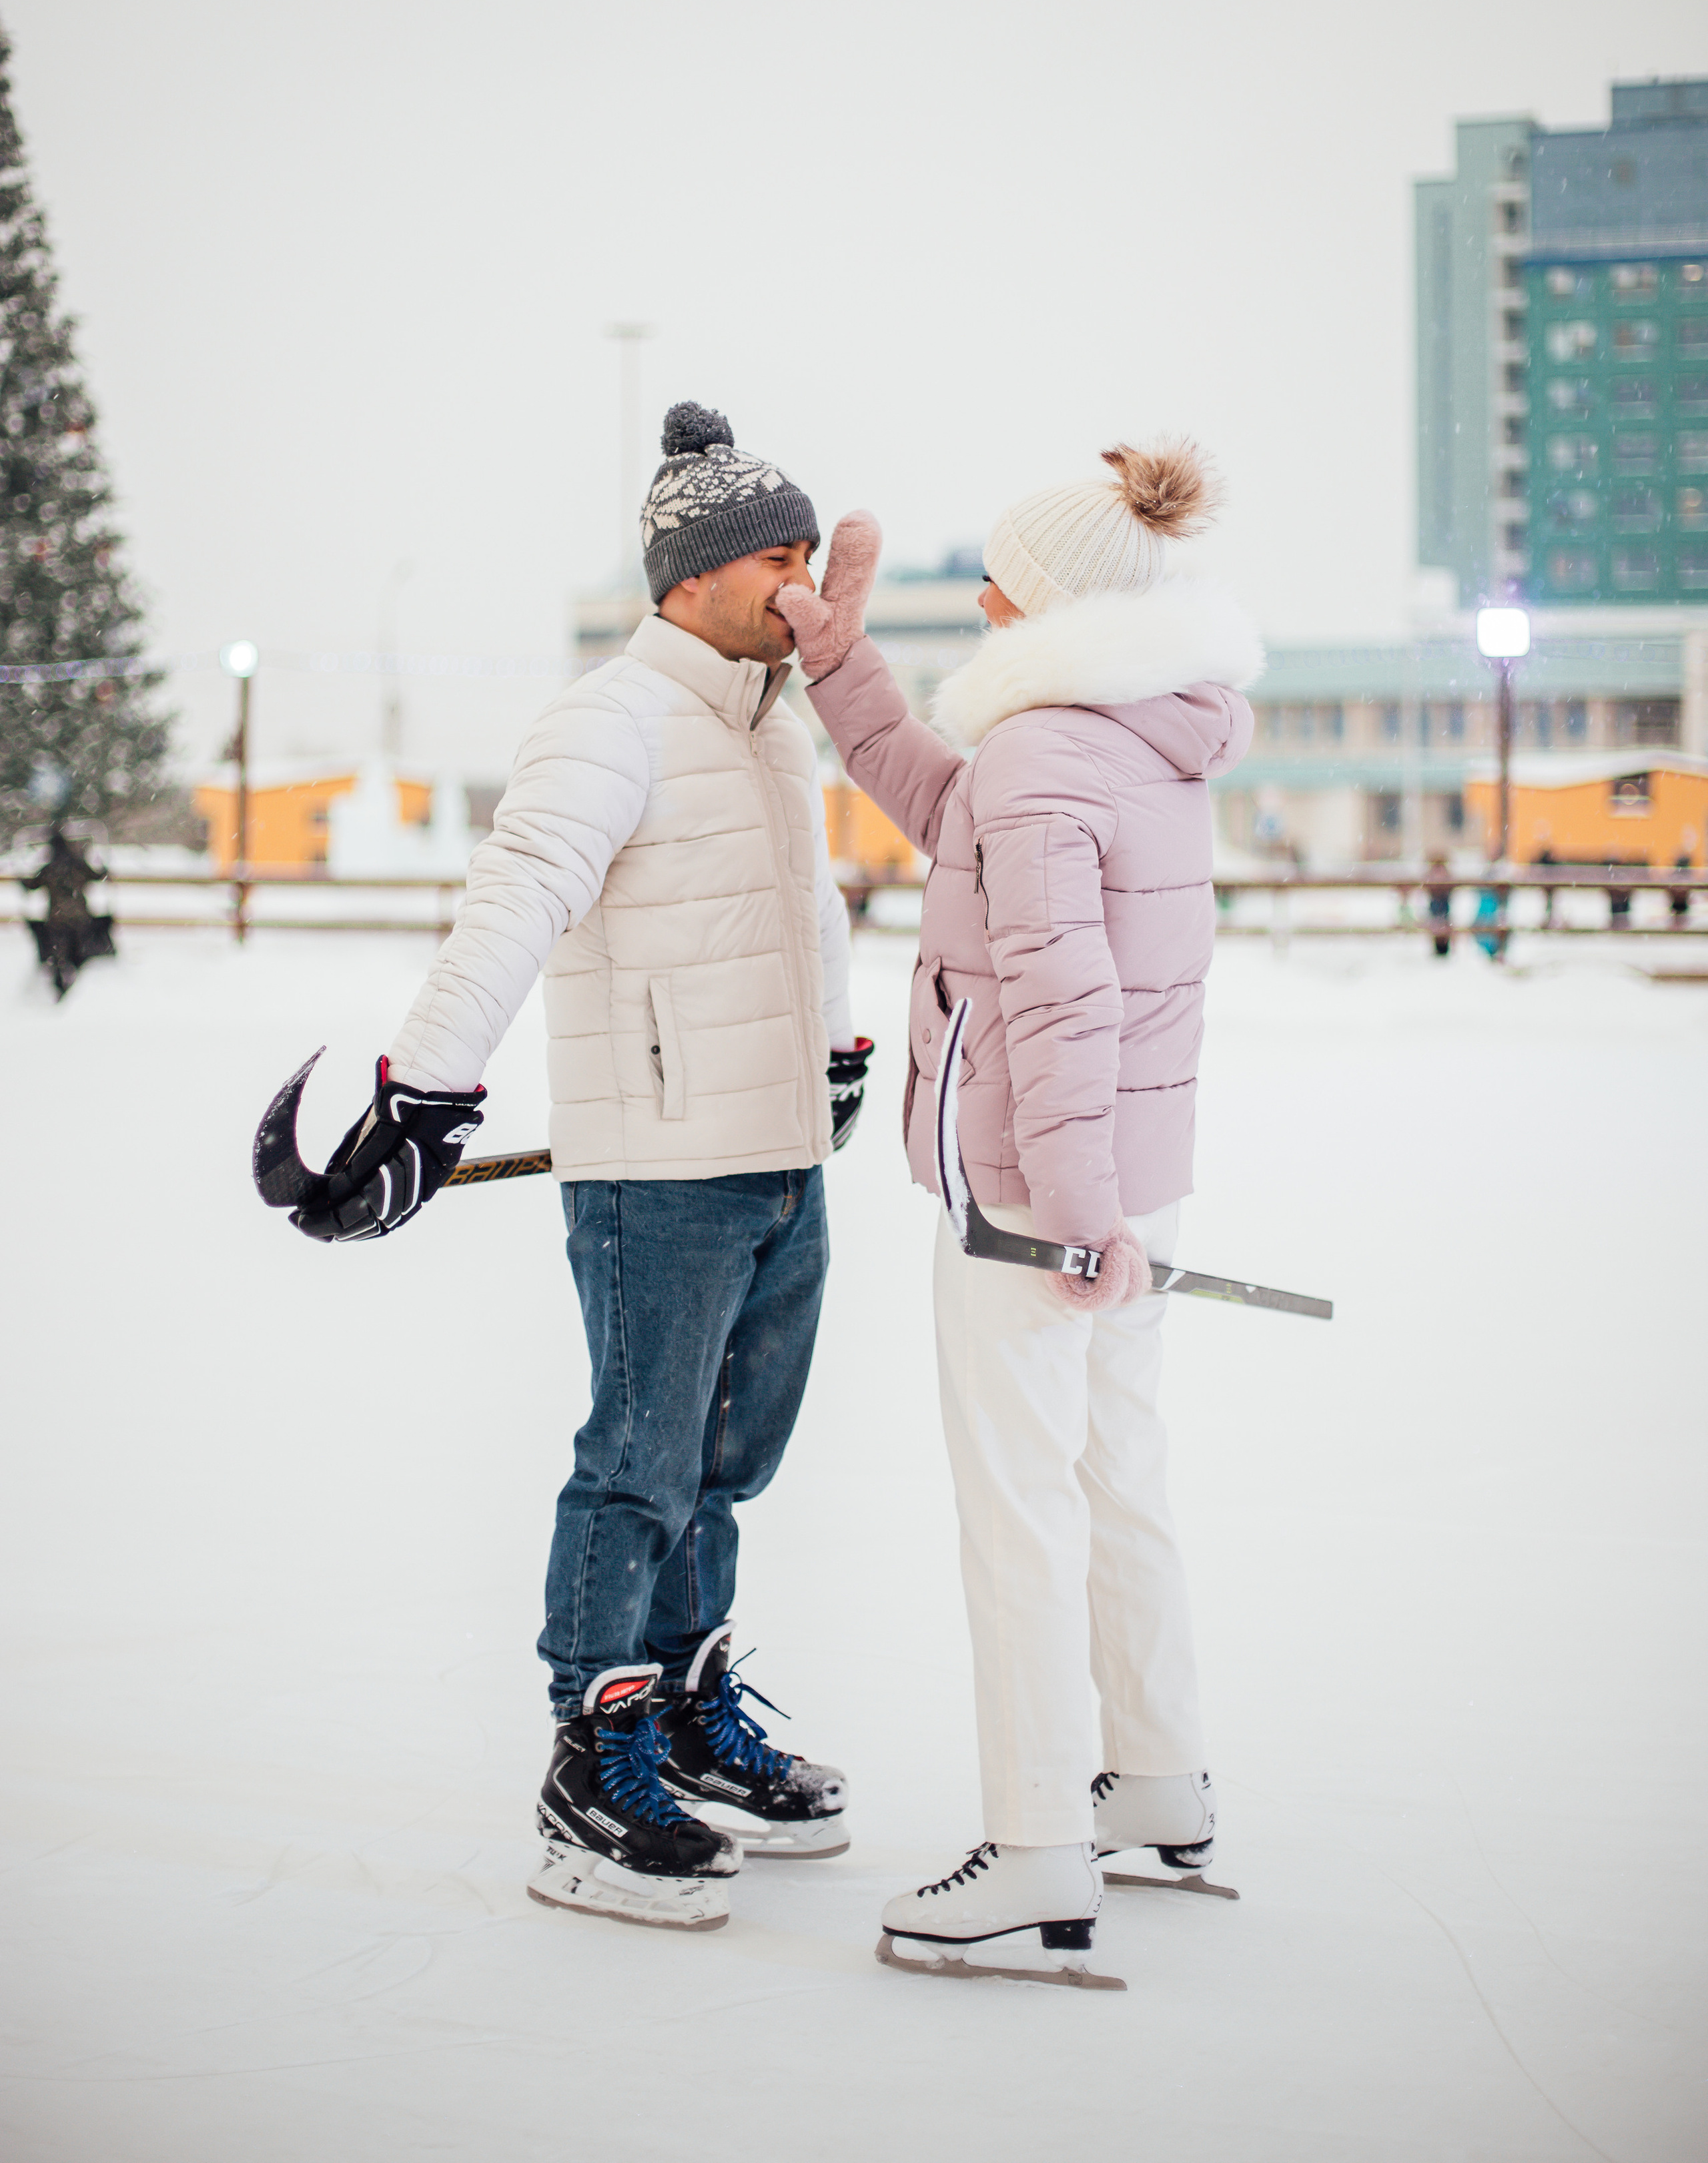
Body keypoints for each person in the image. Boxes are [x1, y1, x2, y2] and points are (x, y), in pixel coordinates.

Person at [282, 402, 871, 1933]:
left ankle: (680, 1710)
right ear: (690, 574)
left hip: (777, 1156)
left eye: (809, 548)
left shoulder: (772, 716)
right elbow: (517, 898)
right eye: (775, 553)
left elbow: (809, 907)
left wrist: (842, 1049)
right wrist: (425, 1089)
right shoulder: (607, 718)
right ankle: (590, 1756)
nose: (801, 578)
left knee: (728, 1461)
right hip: (660, 1172)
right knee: (640, 1461)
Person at [777, 439, 1260, 1984]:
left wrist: (1062, 1211)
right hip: (1132, 1173)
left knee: (1019, 1503)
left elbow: (1059, 990)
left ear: (1046, 599)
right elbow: (947, 807)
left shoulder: (1051, 751)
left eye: (999, 573)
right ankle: (1153, 1771)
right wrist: (841, 668)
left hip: (1035, 1192)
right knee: (1115, 1464)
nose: (978, 593)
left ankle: (1039, 1838)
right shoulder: (1125, 737)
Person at [21, 825, 111, 998]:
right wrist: (104, 870)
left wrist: (23, 880)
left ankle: (59, 987)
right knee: (81, 955)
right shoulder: (78, 864)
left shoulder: (49, 868)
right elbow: (97, 876)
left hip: (57, 920)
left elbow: (32, 885)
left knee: (58, 957)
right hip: (81, 919)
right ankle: (81, 990)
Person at [1424, 855, 1453, 959]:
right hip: (1437, 904)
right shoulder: (1444, 873)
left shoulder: (1439, 874)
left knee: (1440, 924)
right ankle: (1439, 947)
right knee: (1438, 924)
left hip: (1442, 904)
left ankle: (1443, 947)